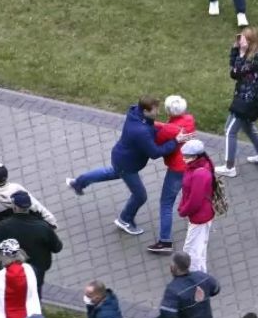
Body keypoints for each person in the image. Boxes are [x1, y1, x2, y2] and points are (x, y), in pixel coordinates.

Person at [67, 96, 190, 235]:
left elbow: (151, 127)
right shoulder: (141, 131)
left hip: (121, 157)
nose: (158, 112)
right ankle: (125, 220)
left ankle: (78, 183)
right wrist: (175, 141)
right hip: (128, 165)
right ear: (145, 110)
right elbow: (155, 152)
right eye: (155, 109)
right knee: (140, 196)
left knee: (111, 172)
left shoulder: (135, 113)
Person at [215, 27, 258, 178]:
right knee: (249, 129)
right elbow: (233, 69)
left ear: (252, 42)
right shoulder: (251, 53)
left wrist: (240, 54)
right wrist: (235, 49)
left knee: (229, 131)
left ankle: (229, 167)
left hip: (247, 99)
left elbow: (236, 72)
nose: (241, 41)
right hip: (245, 97)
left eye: (244, 39)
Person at [0, 191, 62, 292]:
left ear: (14, 207)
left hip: (10, 277)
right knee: (34, 300)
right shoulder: (43, 227)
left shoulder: (4, 227)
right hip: (35, 277)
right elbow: (57, 247)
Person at [148, 95, 196, 253]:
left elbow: (158, 137)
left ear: (169, 110)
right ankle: (199, 225)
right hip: (192, 165)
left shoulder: (170, 130)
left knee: (166, 203)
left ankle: (165, 241)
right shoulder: (189, 119)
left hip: (177, 169)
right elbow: (169, 126)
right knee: (190, 196)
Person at [150, 252, 221, 318]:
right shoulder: (202, 277)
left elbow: (168, 316)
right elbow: (216, 289)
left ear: (174, 267)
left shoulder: (173, 290)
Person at [178, 140, 216, 272]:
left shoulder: (199, 173)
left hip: (199, 216)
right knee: (199, 247)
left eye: (187, 156)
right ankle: (201, 273)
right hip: (204, 214)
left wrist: (183, 210)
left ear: (196, 156)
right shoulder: (202, 164)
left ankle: (195, 278)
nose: (183, 159)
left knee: (191, 250)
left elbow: (195, 200)